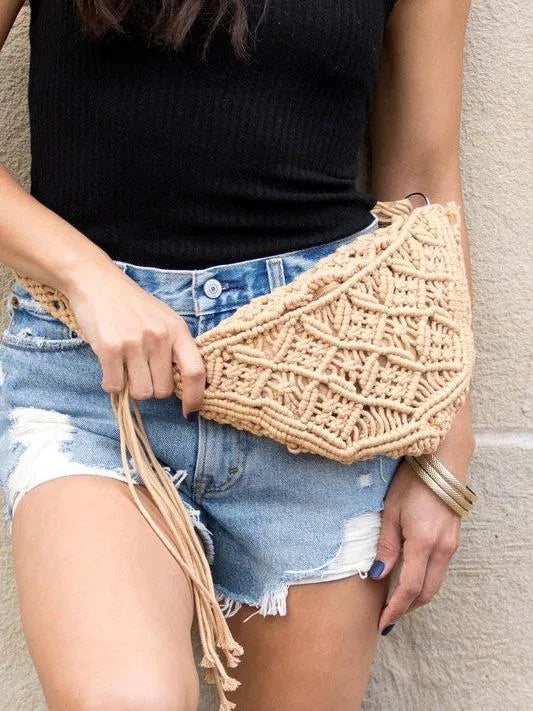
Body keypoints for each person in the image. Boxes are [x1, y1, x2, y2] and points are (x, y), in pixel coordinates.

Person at [0, 0, 476, 709]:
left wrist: (444, 437)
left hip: (328, 384)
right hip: (97, 384)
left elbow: (424, 183)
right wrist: (85, 275)